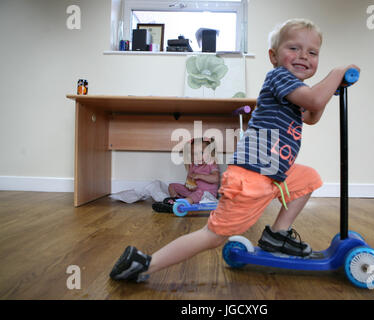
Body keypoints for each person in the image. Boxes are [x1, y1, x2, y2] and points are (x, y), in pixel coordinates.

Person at [110, 18, 360, 283]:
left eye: (312, 52)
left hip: (275, 172)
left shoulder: (296, 89)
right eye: (294, 48)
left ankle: (278, 234)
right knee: (213, 236)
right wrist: (337, 73)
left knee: (308, 178)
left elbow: (311, 115)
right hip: (251, 177)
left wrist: (330, 90)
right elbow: (314, 100)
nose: (303, 57)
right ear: (273, 56)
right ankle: (143, 264)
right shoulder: (280, 78)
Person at [152, 138, 220, 213]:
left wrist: (200, 176)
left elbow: (215, 178)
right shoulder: (193, 165)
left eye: (201, 152)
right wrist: (189, 185)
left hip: (206, 194)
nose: (198, 156)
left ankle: (178, 205)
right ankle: (175, 199)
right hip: (194, 192)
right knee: (172, 186)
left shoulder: (211, 163)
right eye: (194, 154)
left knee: (198, 193)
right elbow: (189, 180)